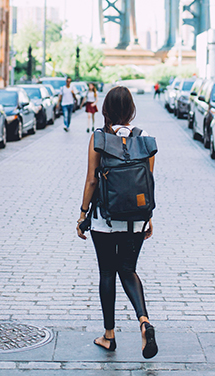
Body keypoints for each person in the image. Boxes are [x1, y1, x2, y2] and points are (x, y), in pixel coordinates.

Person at [76, 86, 158, 359]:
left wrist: (82, 213)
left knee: (107, 273)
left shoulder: (99, 137)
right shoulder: (144, 139)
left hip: (104, 221)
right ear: (132, 109)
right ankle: (144, 321)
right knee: (128, 270)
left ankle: (109, 336)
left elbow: (91, 179)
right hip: (135, 220)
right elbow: (148, 182)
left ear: (106, 110)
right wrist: (148, 218)